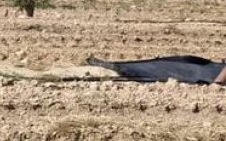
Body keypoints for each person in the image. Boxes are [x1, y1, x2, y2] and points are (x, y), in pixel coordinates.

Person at [87, 56, 226, 85]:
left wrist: (218, 83)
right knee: (174, 63)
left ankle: (118, 67)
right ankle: (116, 66)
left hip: (209, 75)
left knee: (163, 70)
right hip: (210, 69)